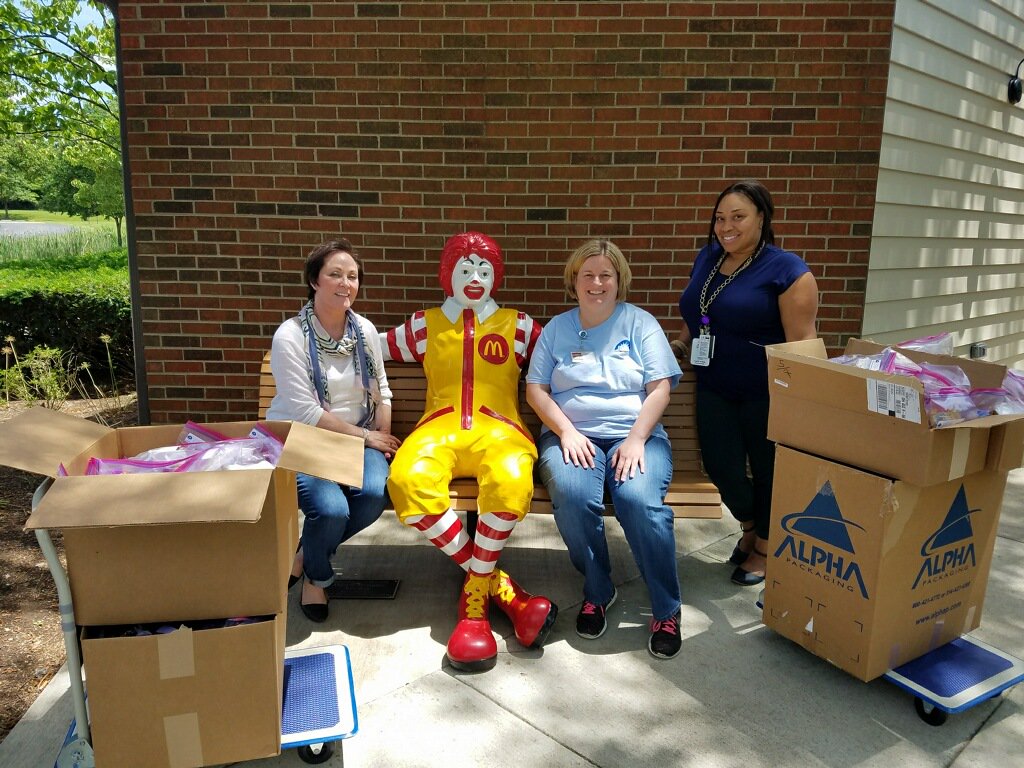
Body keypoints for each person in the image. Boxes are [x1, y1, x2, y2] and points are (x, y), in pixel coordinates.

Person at [381, 231, 557, 673]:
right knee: (405, 479)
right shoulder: (424, 324)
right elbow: (370, 348)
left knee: (512, 478)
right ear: (448, 275)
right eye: (464, 268)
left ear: (495, 276)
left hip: (501, 431)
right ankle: (503, 591)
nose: (474, 277)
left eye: (484, 269)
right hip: (436, 429)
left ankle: (474, 608)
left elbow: (564, 360)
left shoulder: (519, 326)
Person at [526, 239, 685, 660]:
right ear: (574, 281)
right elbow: (536, 389)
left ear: (619, 281)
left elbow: (660, 388)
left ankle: (666, 609)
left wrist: (635, 438)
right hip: (572, 436)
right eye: (588, 275)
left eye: (606, 275)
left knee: (638, 500)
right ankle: (598, 590)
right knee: (575, 496)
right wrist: (565, 432)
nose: (597, 283)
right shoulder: (557, 329)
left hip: (636, 434)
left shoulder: (640, 323)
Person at [675, 179, 818, 587]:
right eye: (720, 218)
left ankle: (766, 548)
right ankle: (752, 525)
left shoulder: (788, 271)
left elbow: (802, 344)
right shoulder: (708, 257)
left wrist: (801, 405)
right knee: (722, 469)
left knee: (770, 472)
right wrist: (683, 344)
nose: (726, 226)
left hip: (766, 393)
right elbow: (700, 313)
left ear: (761, 217)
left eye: (738, 216)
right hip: (714, 385)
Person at [266, 239, 401, 623]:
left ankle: (307, 553)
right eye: (335, 274)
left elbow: (383, 390)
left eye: (353, 276)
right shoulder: (290, 336)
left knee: (375, 493)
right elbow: (306, 411)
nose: (345, 283)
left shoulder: (365, 330)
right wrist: (368, 438)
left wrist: (382, 435)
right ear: (314, 280)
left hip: (360, 437)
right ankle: (317, 579)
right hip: (304, 439)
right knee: (329, 509)